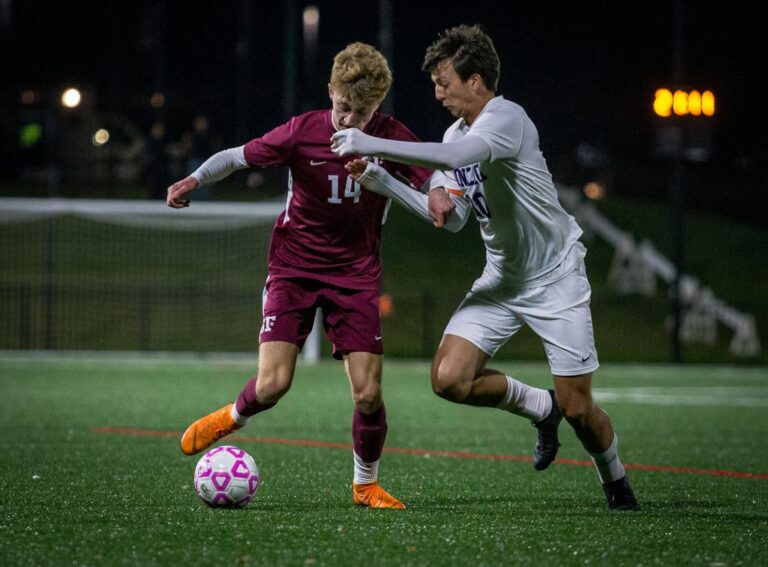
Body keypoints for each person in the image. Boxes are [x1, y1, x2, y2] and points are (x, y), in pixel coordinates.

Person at [331, 24, 639, 511]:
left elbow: (454, 156)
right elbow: (451, 222)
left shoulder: (506, 118)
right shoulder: (456, 133)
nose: (437, 93)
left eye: (444, 82)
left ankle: (615, 479)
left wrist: (370, 145)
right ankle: (541, 408)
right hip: (501, 279)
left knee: (580, 408)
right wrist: (380, 180)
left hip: (556, 278)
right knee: (449, 378)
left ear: (476, 81)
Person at [166, 42, 433, 509]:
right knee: (272, 387)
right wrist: (194, 179)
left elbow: (434, 176)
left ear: (379, 106)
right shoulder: (301, 132)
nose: (351, 120)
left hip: (356, 274)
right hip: (294, 268)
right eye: (344, 107)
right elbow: (236, 156)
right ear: (330, 91)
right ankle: (231, 416)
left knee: (368, 393)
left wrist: (444, 192)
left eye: (363, 112)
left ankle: (365, 485)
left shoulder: (390, 137)